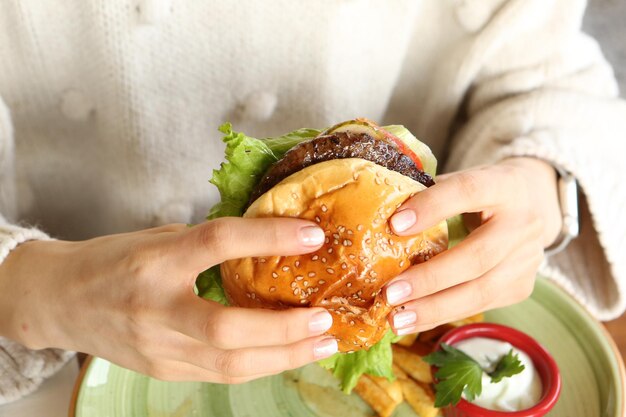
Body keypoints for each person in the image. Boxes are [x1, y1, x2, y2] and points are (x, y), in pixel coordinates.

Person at [1, 0, 625, 405]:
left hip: (408, 282)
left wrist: (548, 184)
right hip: (38, 368)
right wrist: (30, 290)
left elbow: (544, 77)